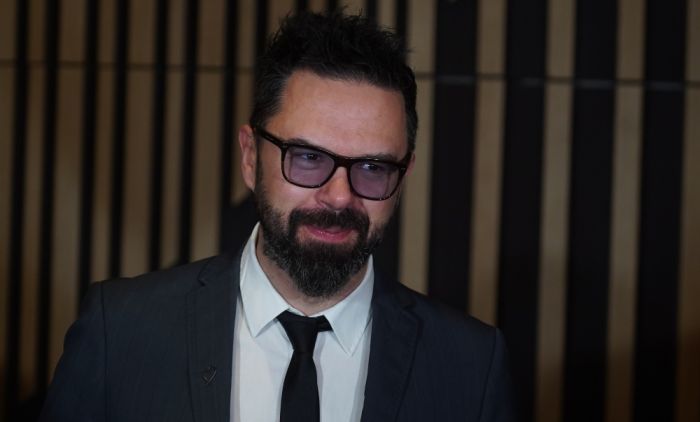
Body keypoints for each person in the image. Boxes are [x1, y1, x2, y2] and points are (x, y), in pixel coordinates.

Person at [40, 11, 515, 422]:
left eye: (372, 168)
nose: (338, 197)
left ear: (403, 175)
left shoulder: (472, 367)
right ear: (250, 157)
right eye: (307, 158)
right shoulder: (121, 331)